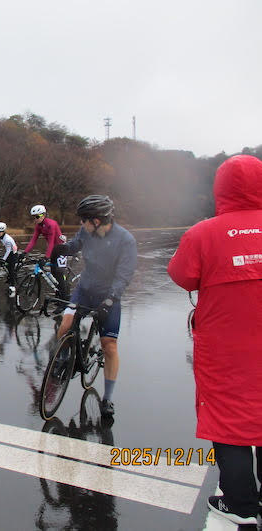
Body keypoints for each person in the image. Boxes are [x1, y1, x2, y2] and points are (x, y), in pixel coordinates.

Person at [168, 155, 262, 526]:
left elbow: (182, 276)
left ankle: (240, 505)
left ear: (219, 190)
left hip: (226, 348)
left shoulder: (203, 233)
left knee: (228, 419)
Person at [53, 195, 137, 417]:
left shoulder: (125, 240)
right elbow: (75, 245)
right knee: (65, 324)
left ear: (96, 221)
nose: (81, 223)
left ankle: (108, 398)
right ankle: (62, 360)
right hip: (84, 289)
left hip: (109, 295)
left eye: (84, 220)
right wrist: (62, 249)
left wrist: (109, 300)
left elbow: (124, 275)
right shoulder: (86, 231)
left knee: (109, 345)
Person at [23, 205, 69, 300]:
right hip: (53, 249)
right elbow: (33, 241)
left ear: (43, 215)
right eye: (33, 217)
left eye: (37, 217)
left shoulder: (51, 224)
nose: (35, 219)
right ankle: (59, 294)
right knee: (53, 273)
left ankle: (64, 300)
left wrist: (46, 257)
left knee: (58, 274)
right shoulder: (38, 226)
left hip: (61, 249)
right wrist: (24, 252)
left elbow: (51, 242)